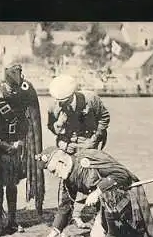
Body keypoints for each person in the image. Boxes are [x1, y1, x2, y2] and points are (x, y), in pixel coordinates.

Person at [36, 146, 153, 237]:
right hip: (106, 208)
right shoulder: (67, 179)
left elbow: (122, 174)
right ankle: (120, 231)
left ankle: (113, 236)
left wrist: (98, 191)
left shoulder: (88, 159)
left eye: (53, 171)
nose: (54, 174)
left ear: (61, 162)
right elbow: (65, 207)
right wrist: (52, 234)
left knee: (107, 194)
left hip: (127, 198)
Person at [0, 64, 44, 234]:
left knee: (11, 183)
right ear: (5, 82)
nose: (14, 91)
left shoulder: (24, 91)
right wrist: (3, 144)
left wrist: (21, 142)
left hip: (15, 144)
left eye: (16, 87)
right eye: (11, 87)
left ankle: (12, 219)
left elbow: (29, 118)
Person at [47, 74, 111, 229]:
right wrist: (61, 137)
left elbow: (105, 117)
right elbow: (51, 126)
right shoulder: (54, 106)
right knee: (68, 180)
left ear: (72, 96)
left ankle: (98, 218)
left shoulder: (90, 99)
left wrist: (94, 139)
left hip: (89, 142)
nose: (60, 105)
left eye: (64, 101)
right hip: (69, 144)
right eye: (58, 101)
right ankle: (67, 217)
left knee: (91, 180)